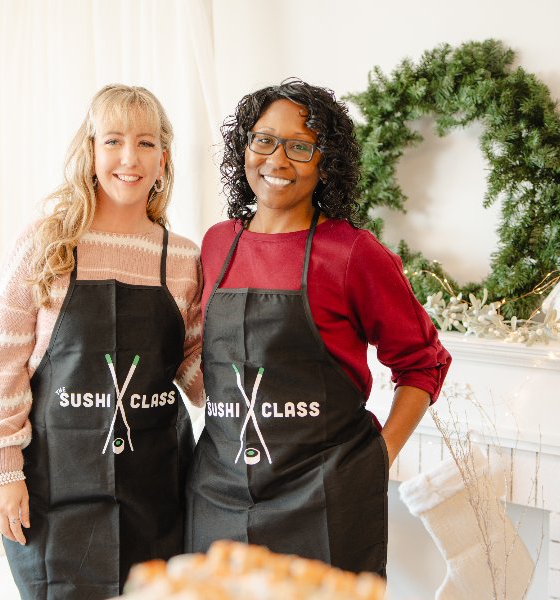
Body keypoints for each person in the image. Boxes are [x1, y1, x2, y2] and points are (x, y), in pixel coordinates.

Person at [186, 79, 451, 578]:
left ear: (326, 163)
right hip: (219, 494)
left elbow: (423, 361)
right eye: (264, 140)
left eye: (300, 147)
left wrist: (381, 455)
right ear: (244, 147)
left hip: (325, 499)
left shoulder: (353, 253)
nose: (277, 160)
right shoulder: (217, 244)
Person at [0, 84, 204, 599]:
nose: (130, 158)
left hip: (158, 490)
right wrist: (1, 472)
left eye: (146, 143)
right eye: (114, 140)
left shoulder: (183, 258)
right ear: (91, 151)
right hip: (53, 491)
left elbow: (193, 363)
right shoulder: (45, 243)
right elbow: (1, 363)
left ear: (164, 159)